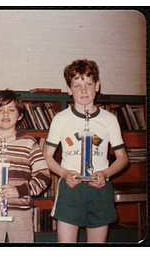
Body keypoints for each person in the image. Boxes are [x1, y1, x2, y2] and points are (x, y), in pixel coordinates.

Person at [43, 59, 128, 243]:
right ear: (69, 89)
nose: (83, 90)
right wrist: (64, 173)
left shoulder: (109, 119)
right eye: (77, 85)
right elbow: (47, 156)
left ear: (97, 86)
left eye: (88, 84)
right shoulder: (61, 118)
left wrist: (105, 173)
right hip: (70, 189)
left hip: (100, 189)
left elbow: (122, 158)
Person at [0, 89, 51, 243]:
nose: (5, 115)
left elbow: (43, 175)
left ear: (20, 115)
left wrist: (19, 191)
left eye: (11, 110)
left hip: (21, 214)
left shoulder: (29, 143)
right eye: (0, 110)